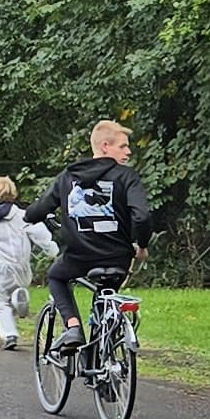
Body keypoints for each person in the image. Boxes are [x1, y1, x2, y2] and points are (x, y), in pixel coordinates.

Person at [24, 119, 154, 336]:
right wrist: (141, 246)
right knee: (107, 298)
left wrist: (30, 215)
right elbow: (142, 217)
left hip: (79, 258)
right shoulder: (126, 177)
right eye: (123, 146)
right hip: (117, 258)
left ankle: (73, 327)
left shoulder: (69, 176)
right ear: (105, 146)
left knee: (56, 276)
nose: (129, 152)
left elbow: (38, 210)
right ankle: (107, 347)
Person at [0, 177, 54, 351]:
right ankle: (19, 297)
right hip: (22, 267)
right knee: (16, 290)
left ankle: (10, 334)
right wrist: (52, 250)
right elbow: (41, 235)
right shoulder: (23, 215)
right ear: (13, 193)